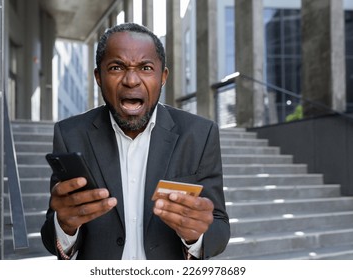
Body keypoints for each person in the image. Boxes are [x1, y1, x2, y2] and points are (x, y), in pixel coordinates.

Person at [41, 22, 230, 260]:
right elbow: (51, 235)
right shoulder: (70, 135)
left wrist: (195, 235)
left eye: (146, 67)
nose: (131, 80)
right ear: (98, 77)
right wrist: (64, 226)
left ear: (163, 77)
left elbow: (220, 227)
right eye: (117, 67)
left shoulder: (200, 134)